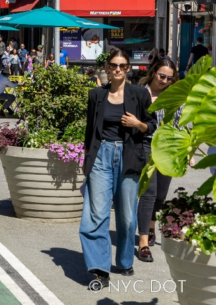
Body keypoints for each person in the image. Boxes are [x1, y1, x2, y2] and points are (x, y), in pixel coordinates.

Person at [79, 49, 156, 290]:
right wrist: (88, 158)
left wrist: (138, 124)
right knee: (95, 214)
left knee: (126, 215)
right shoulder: (96, 95)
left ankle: (124, 260)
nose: (118, 69)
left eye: (123, 65)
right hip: (101, 155)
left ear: (128, 68)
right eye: (114, 65)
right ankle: (100, 269)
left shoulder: (139, 94)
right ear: (107, 67)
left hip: (128, 154)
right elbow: (90, 131)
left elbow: (152, 125)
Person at [136, 58, 179, 263]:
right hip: (145, 146)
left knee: (161, 195)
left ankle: (151, 226)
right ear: (153, 73)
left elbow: (181, 124)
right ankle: (143, 242)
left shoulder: (174, 96)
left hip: (168, 149)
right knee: (148, 193)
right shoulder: (139, 92)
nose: (165, 81)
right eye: (162, 76)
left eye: (170, 78)